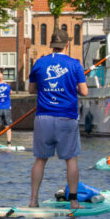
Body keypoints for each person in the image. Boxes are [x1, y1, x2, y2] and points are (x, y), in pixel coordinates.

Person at [28, 28, 88, 209]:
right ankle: (74, 201)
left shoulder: (39, 63)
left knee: (40, 159)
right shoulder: (75, 64)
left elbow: (31, 90)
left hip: (43, 117)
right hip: (66, 118)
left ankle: (33, 201)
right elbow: (84, 91)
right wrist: (73, 87)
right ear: (67, 44)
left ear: (52, 45)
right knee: (71, 160)